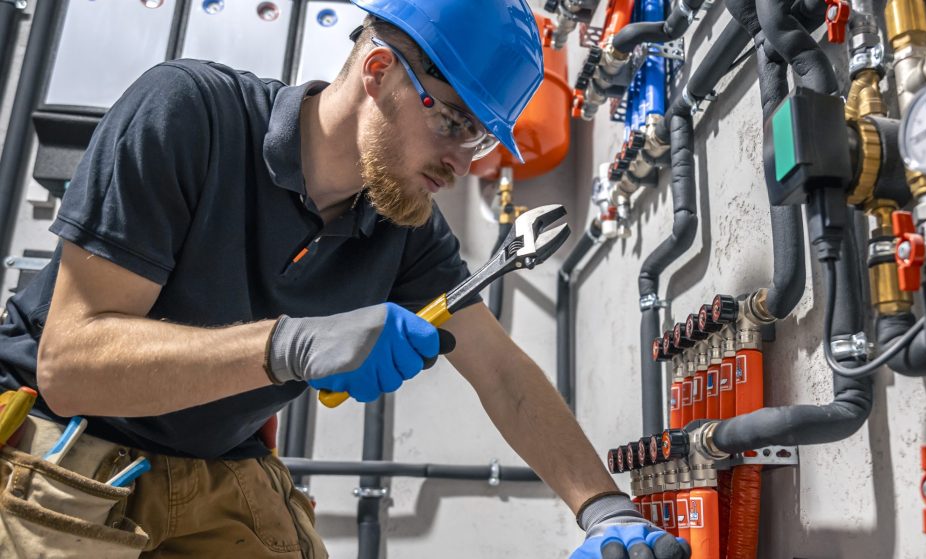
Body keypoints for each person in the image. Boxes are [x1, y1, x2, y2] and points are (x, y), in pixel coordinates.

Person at [0, 0, 688, 557]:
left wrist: (605, 510)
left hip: (215, 460)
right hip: (65, 439)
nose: (461, 161)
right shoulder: (188, 114)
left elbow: (503, 373)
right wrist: (288, 345)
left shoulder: (404, 227)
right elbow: (71, 364)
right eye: (452, 122)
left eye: (478, 139)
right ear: (379, 69)